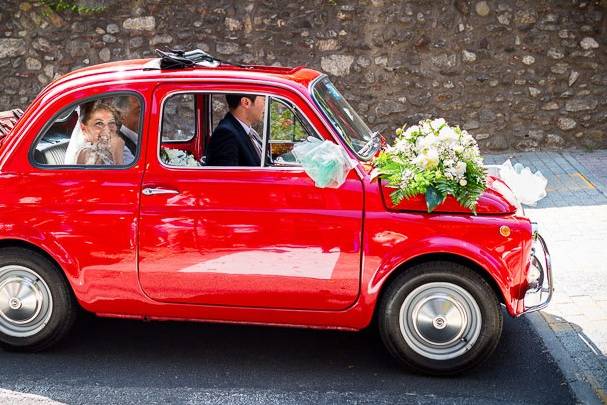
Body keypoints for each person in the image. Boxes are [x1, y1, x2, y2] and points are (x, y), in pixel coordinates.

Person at [206, 93, 265, 166]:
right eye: (264, 100)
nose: (265, 106)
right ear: (246, 102)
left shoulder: (249, 131)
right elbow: (226, 175)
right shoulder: (226, 134)